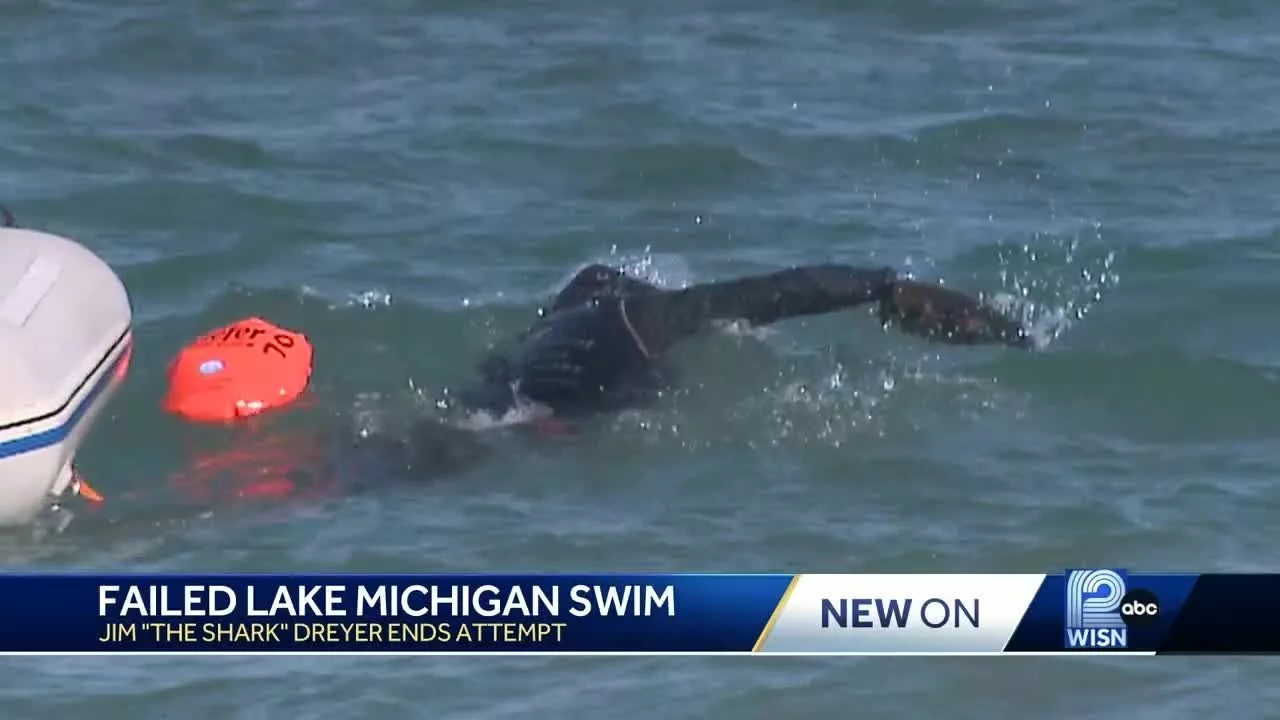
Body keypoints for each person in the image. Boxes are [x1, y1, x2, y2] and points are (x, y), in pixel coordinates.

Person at [343, 262, 1032, 481]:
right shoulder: (652, 315)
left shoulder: (541, 331)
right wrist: (882, 286)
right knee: (511, 435)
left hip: (510, 397)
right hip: (575, 412)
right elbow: (778, 293)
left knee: (454, 435)